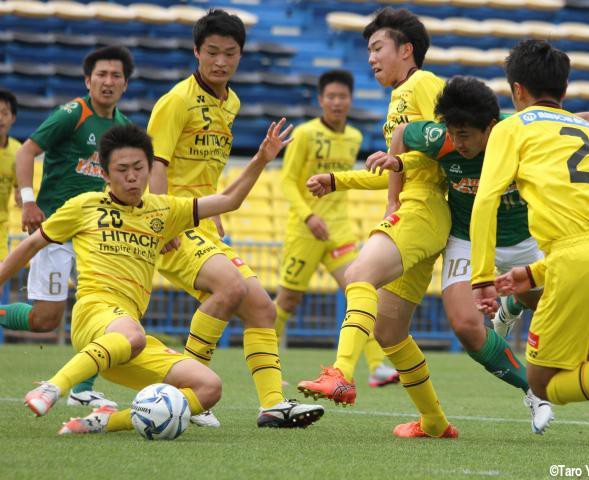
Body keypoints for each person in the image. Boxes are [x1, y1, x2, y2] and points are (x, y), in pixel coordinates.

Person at [18, 121, 322, 436]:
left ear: (150, 170)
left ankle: (105, 421)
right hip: (95, 316)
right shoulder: (84, 206)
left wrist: (261, 158)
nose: (132, 175)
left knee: (208, 387)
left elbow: (229, 201)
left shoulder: (163, 211)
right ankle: (53, 388)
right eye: (122, 169)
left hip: (128, 338)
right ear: (105, 174)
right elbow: (28, 246)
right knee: (135, 332)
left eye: (139, 167)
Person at [147, 9, 323, 428]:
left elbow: (206, 170)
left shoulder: (233, 103)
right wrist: (160, 222)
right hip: (171, 221)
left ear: (240, 56)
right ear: (196, 51)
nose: (221, 61)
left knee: (262, 308)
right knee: (228, 286)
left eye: (230, 53)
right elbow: (156, 164)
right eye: (212, 52)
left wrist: (247, 176)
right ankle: (187, 396)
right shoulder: (175, 102)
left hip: (205, 222)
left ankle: (272, 405)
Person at [298, 7, 457, 439]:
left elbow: (449, 141)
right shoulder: (399, 95)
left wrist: (400, 159)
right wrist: (337, 180)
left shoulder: (423, 83)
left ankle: (341, 374)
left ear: (406, 50)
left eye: (377, 47)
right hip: (420, 212)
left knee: (359, 273)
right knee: (388, 330)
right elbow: (392, 165)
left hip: (423, 208)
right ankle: (436, 422)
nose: (370, 57)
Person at [469, 39, 589, 440]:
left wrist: (480, 277)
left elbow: (486, 201)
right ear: (564, 90)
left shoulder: (511, 127)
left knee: (544, 381)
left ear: (517, 91)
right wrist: (535, 271)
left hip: (580, 258)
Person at [1, 46, 134, 408]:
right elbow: (26, 151)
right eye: (101, 75)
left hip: (97, 233)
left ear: (125, 83)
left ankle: (82, 388)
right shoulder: (73, 113)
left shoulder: (122, 127)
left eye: (115, 76)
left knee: (101, 308)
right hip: (56, 228)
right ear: (87, 80)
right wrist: (29, 200)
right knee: (45, 320)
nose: (108, 82)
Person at [275, 69, 398, 388]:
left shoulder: (354, 137)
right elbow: (288, 181)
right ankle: (268, 364)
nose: (337, 102)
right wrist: (308, 216)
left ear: (350, 100)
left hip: (339, 231)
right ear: (320, 100)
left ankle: (375, 366)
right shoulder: (304, 134)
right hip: (305, 231)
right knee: (287, 301)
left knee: (361, 290)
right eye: (331, 96)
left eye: (342, 96)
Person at [0, 89, 21, 260]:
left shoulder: (18, 151)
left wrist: (21, 194)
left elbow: (19, 187)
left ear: (12, 118)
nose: (0, 118)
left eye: (4, 113)